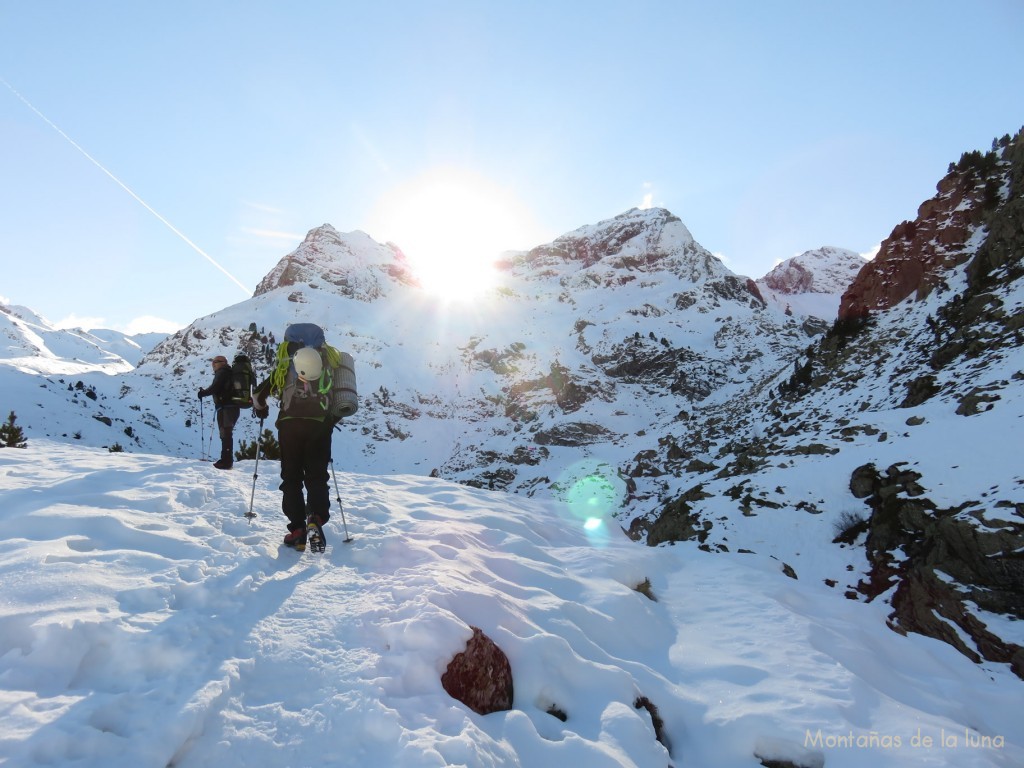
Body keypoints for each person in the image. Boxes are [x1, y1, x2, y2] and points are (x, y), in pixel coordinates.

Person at [252, 345, 335, 551]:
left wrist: (262, 409)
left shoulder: (285, 367)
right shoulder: (328, 363)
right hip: (320, 426)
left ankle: (297, 530)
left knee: (292, 477)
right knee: (317, 476)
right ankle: (316, 517)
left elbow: (258, 396)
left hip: (290, 427)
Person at [198, 355, 239, 470]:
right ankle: (225, 459)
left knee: (225, 433)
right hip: (233, 408)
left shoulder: (222, 372)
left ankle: (226, 461)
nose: (213, 365)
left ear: (221, 363)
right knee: (226, 432)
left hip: (226, 407)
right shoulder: (229, 372)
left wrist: (203, 393)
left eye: (214, 362)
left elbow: (215, 387)